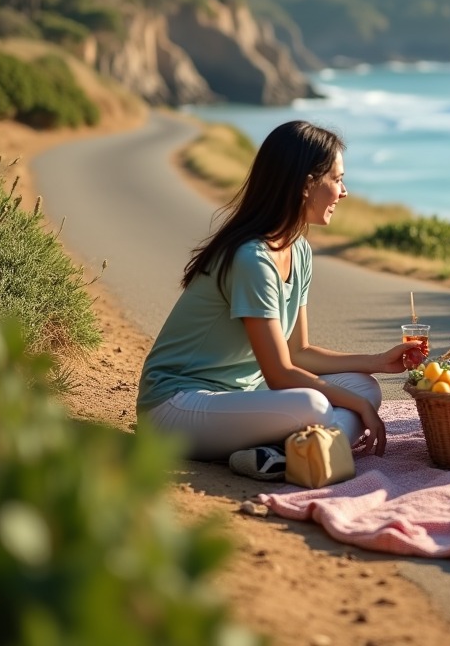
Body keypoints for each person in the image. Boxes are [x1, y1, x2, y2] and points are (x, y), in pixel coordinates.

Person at [136, 120, 423, 481]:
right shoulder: (252, 258)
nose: (344, 192)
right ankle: (312, 452)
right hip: (176, 406)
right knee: (314, 404)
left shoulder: (298, 250)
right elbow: (280, 373)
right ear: (306, 185)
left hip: (239, 395)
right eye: (337, 180)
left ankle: (277, 455)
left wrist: (377, 362)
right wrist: (355, 406)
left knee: (364, 386)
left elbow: (297, 352)